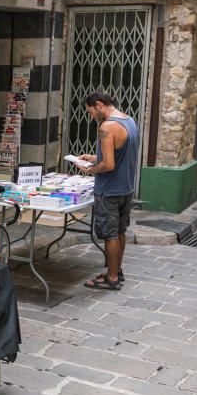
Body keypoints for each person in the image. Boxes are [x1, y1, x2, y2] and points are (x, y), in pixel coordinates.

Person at [74, 92, 139, 291]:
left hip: (109, 190)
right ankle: (116, 270)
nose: (92, 117)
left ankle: (111, 278)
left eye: (91, 112)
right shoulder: (129, 121)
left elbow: (109, 164)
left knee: (109, 234)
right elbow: (119, 154)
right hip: (125, 188)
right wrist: (94, 157)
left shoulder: (106, 127)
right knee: (120, 231)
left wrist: (90, 170)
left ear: (99, 105)